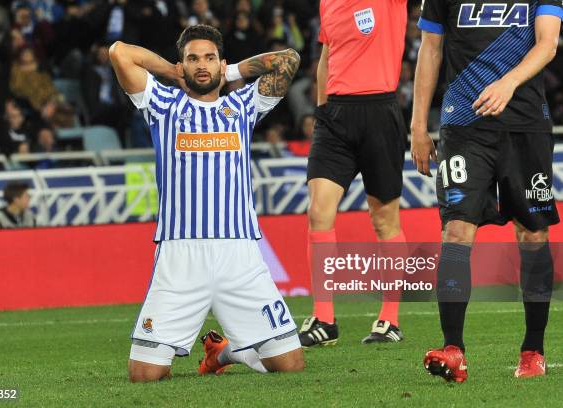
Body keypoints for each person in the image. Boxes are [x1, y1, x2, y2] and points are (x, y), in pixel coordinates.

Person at [109, 24, 304, 382]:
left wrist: (228, 74)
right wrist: (172, 72)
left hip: (240, 254)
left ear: (222, 63)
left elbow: (288, 60)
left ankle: (225, 353)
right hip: (180, 255)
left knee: (290, 366)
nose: (203, 64)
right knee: (145, 375)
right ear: (182, 64)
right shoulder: (163, 106)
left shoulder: (243, 105)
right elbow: (120, 52)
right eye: (193, 58)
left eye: (210, 58)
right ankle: (218, 350)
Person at [412, 1, 562, 382]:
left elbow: (547, 44)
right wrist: (416, 124)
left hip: (525, 124)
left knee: (532, 233)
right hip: (463, 124)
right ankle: (453, 350)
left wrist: (508, 82)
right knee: (455, 230)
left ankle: (533, 351)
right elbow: (430, 50)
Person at [300, 0, 409, 347]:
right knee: (318, 212)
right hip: (334, 117)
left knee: (384, 220)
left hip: (381, 113)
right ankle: (324, 319)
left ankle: (389, 319)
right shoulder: (328, 2)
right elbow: (327, 58)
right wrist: (321, 111)